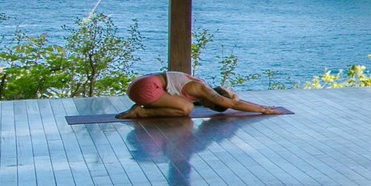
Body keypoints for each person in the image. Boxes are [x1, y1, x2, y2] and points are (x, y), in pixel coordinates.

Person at [118, 70, 290, 119]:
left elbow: (231, 100)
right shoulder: (201, 89)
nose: (209, 107)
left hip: (141, 84)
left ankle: (141, 108)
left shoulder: (201, 87)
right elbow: (232, 104)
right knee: (186, 108)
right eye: (214, 106)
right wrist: (263, 109)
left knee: (184, 105)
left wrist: (234, 97)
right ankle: (141, 112)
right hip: (146, 88)